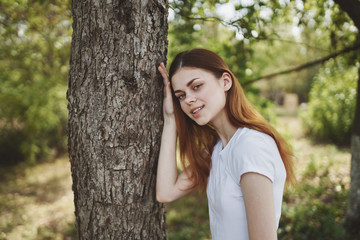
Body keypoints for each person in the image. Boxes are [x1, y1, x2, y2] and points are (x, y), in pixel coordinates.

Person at [156, 48, 295, 240]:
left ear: (225, 82)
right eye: (181, 95)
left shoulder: (250, 146)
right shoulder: (216, 149)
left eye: (196, 86)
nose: (189, 99)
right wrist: (170, 117)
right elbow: (166, 193)